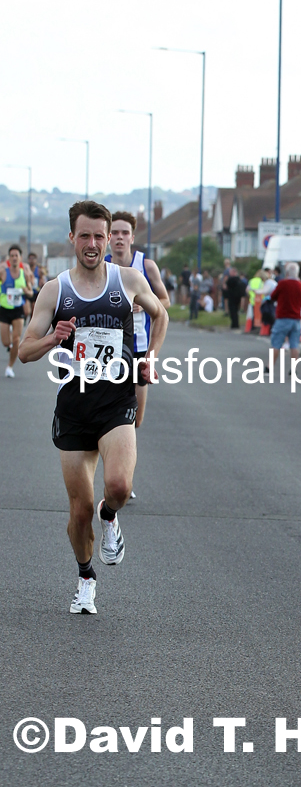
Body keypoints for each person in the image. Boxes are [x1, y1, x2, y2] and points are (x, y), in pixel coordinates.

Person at [19, 200, 168, 615]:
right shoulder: (56, 290)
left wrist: (150, 356)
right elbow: (25, 351)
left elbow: (162, 315)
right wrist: (53, 338)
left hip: (117, 399)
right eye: (84, 235)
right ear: (72, 238)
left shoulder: (129, 280)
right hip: (74, 406)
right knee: (78, 510)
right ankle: (85, 577)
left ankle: (111, 513)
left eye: (99, 236)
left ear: (109, 239)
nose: (92, 243)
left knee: (118, 486)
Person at [105, 211, 170, 429]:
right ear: (107, 237)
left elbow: (165, 301)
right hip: (109, 347)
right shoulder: (100, 266)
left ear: (132, 238)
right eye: (114, 233)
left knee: (136, 422)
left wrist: (144, 304)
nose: (119, 237)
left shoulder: (146, 265)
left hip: (139, 346)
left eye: (125, 233)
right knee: (106, 417)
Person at [0, 245, 33, 377]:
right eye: (12, 256)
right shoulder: (3, 272)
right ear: (9, 258)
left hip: (18, 309)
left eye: (16, 256)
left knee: (16, 340)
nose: (14, 258)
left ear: (20, 258)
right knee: (6, 342)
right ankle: (9, 342)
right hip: (4, 309)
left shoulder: (24, 274)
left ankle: (10, 366)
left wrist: (26, 291)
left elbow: (31, 293)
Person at [268, 262, 301, 371]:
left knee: (276, 343)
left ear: (287, 272)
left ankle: (269, 366)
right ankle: (294, 369)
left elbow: (273, 296)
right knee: (294, 345)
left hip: (283, 317)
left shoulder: (282, 284)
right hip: (296, 318)